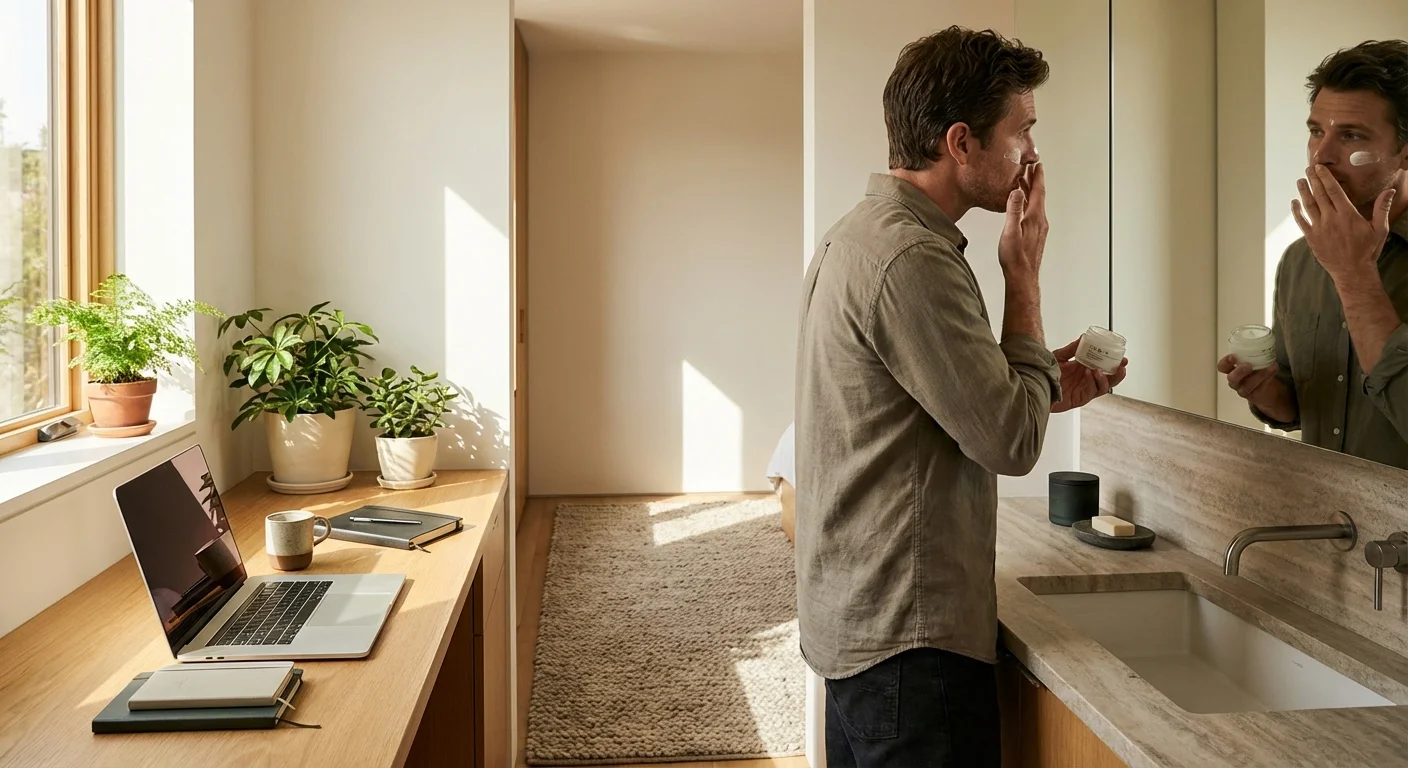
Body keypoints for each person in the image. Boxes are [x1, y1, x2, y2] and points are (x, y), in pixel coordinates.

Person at [794, 26, 1128, 767]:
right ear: (961, 142)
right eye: (1023, 132)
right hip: (910, 648)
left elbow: (940, 412)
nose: (1033, 156)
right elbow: (1010, 444)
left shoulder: (859, 236)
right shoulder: (916, 258)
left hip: (860, 623)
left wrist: (1040, 386)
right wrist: (1024, 272)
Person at [1219, 40, 1408, 469]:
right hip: (1330, 519)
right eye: (1316, 131)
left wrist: (1354, 276)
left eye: (1352, 136)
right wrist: (1266, 393)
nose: (1321, 156)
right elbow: (1302, 408)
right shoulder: (1299, 261)